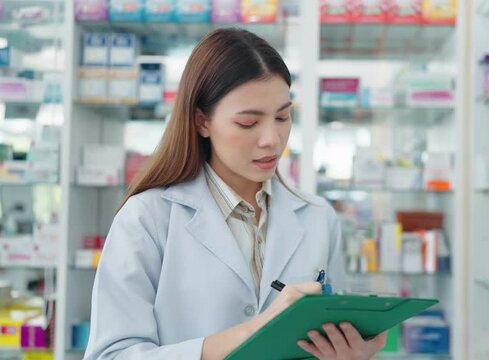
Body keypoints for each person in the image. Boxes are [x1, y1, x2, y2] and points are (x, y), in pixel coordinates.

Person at [83, 28, 387, 360]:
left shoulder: (318, 217)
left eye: (283, 117)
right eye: (248, 123)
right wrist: (256, 330)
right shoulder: (147, 218)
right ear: (202, 121)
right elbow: (111, 355)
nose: (272, 139)